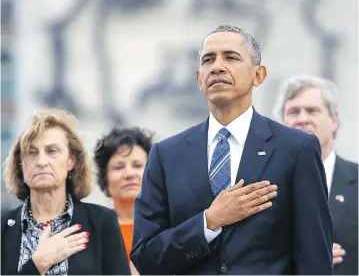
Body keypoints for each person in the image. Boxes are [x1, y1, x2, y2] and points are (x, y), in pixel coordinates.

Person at [130, 24, 333, 275]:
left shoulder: (296, 149)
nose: (217, 66)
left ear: (259, 75)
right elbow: (145, 255)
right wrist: (209, 222)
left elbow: (314, 258)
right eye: (208, 60)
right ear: (199, 79)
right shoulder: (166, 155)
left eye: (231, 57)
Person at [1, 108, 131, 275]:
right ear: (21, 165)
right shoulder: (3, 228)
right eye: (32, 153)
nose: (41, 161)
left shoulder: (102, 222)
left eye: (52, 151)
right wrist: (38, 264)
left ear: (71, 161)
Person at [274, 74, 358, 275]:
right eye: (293, 112)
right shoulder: (261, 183)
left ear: (334, 120)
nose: (303, 119)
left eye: (312, 110)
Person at [94, 127, 152, 274]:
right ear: (105, 179)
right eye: (119, 167)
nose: (129, 174)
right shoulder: (93, 233)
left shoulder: (170, 229)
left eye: (137, 165)